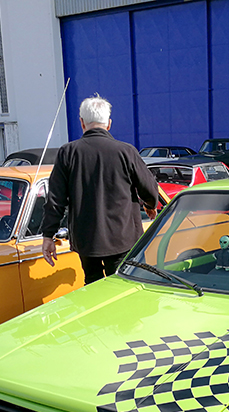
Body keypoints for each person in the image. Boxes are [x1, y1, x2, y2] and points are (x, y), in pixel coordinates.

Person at [40, 94, 159, 284]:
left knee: (92, 285)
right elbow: (149, 187)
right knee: (123, 286)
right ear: (109, 123)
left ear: (82, 122)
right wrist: (150, 205)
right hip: (123, 237)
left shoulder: (67, 153)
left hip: (86, 240)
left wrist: (48, 235)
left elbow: (55, 199)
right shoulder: (126, 151)